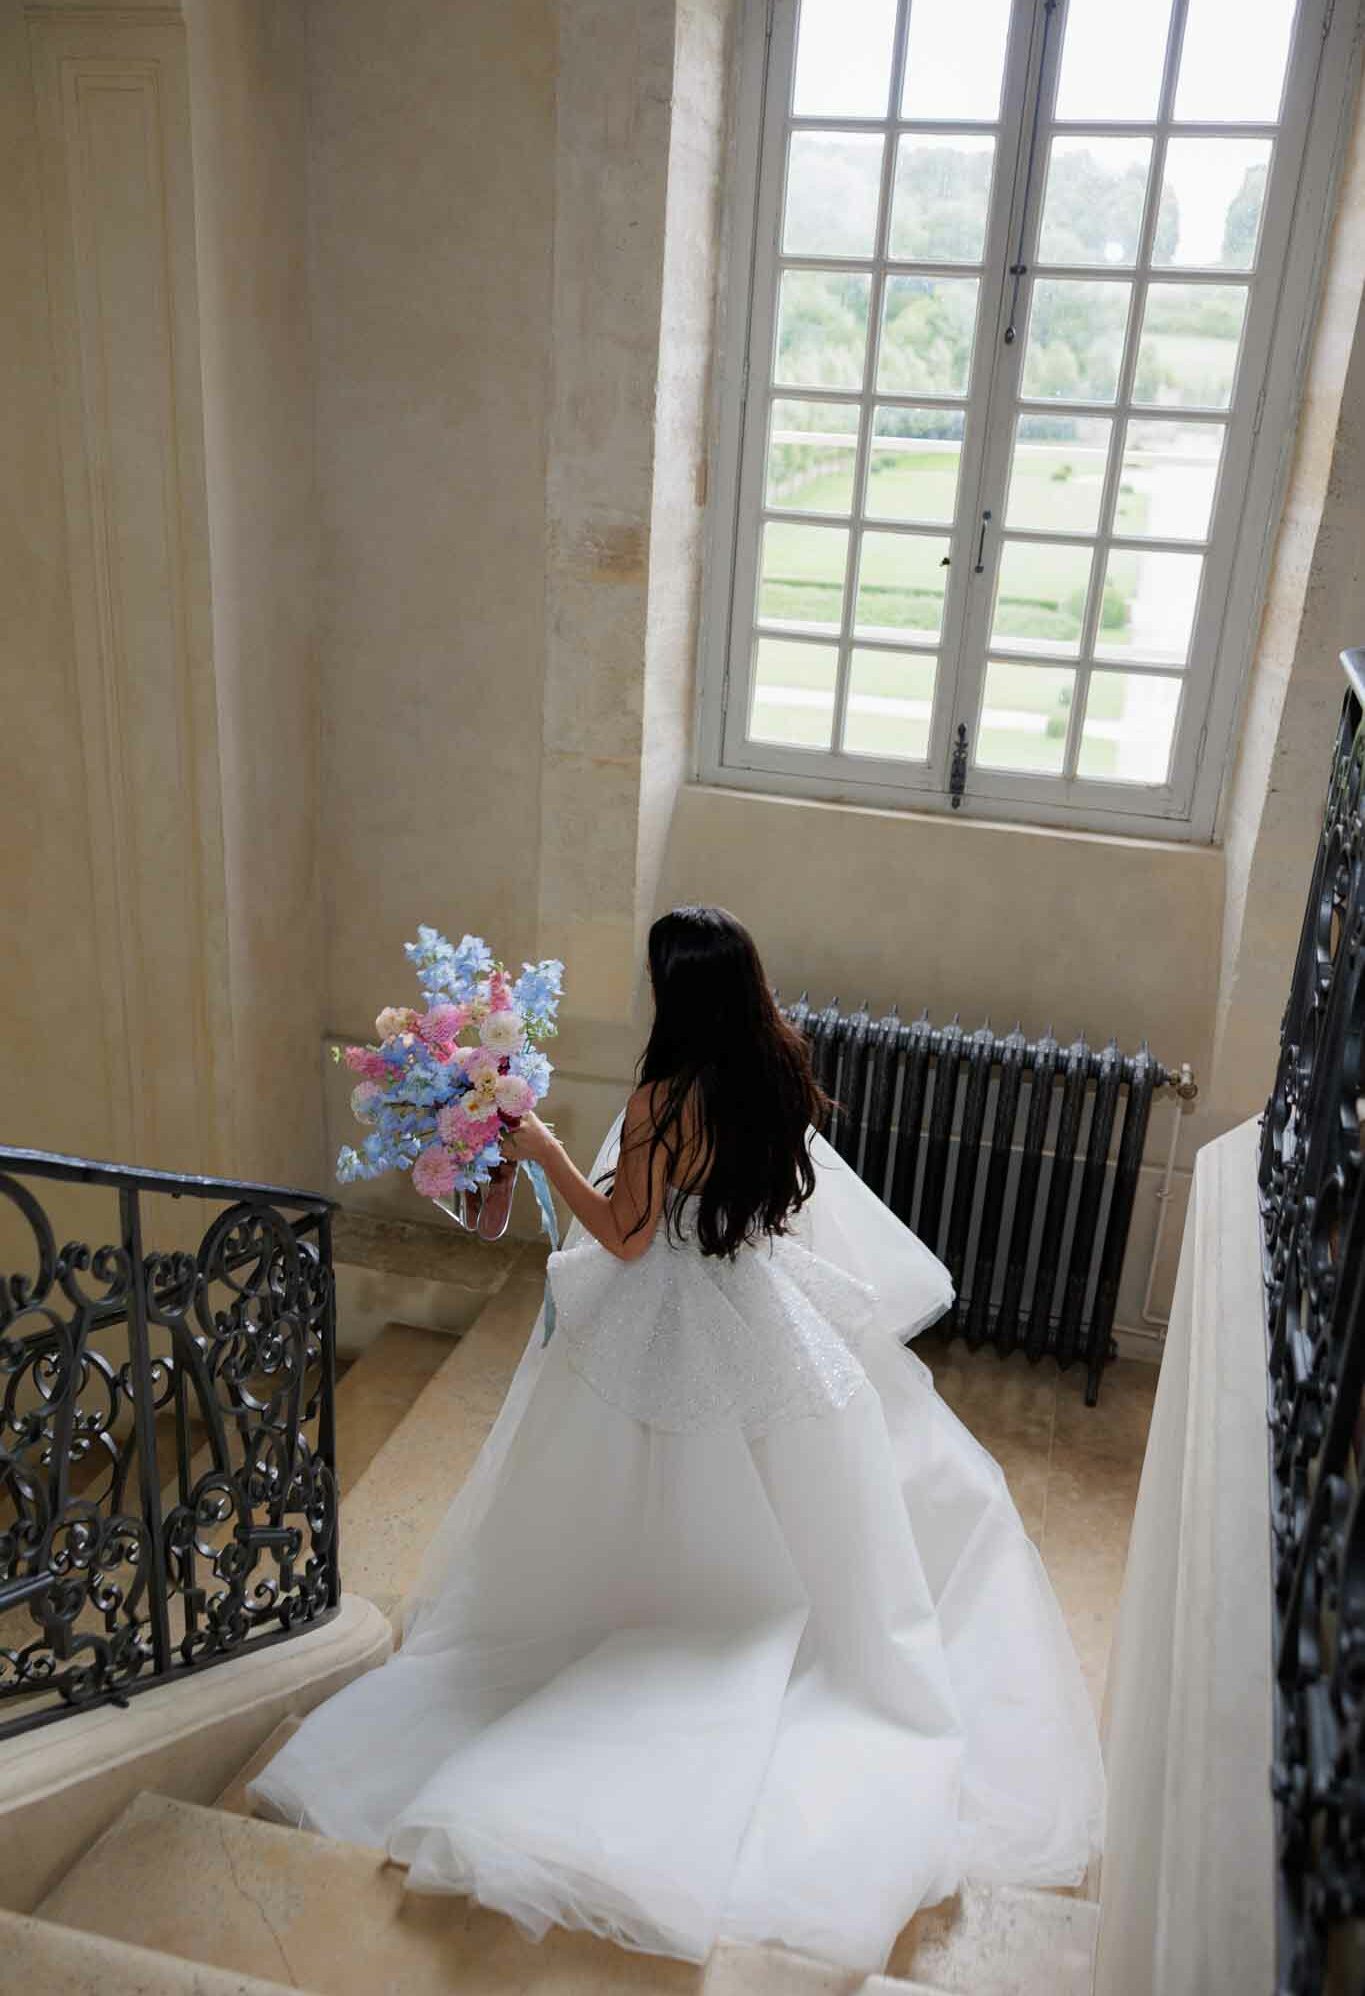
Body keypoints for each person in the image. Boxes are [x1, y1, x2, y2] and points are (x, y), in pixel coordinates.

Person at [250, 906, 1103, 1973]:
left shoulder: (662, 1098)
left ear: (681, 992)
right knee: (761, 1482)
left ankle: (658, 1623)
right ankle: (732, 1610)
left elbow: (625, 1232)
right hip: (751, 1291)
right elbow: (767, 1206)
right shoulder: (775, 1070)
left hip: (666, 1307)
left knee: (629, 1478)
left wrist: (548, 1145)